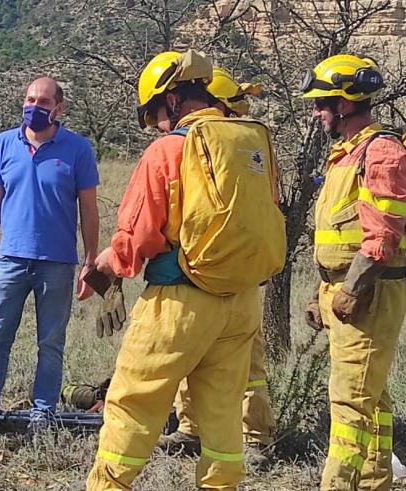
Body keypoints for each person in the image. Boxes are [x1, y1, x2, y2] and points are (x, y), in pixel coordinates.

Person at [85, 49, 285, 490]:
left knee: (131, 404)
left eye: (156, 112)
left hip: (181, 302)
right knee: (222, 416)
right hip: (241, 302)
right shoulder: (250, 140)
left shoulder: (169, 149)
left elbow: (137, 235)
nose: (156, 124)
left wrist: (108, 264)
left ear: (173, 99)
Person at [0, 76, 100, 441]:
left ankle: (42, 413)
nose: (35, 106)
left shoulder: (78, 149)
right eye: (30, 98)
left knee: (50, 343)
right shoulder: (5, 143)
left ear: (59, 109)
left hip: (57, 263)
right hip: (10, 260)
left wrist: (90, 261)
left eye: (44, 101)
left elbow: (89, 209)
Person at [300, 54, 406, 490]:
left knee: (349, 402)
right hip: (345, 291)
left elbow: (381, 238)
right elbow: (338, 237)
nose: (317, 113)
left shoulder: (382, 152)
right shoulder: (344, 156)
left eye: (322, 104)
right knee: (373, 397)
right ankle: (373, 481)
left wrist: (349, 290)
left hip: (368, 294)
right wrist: (321, 292)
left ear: (346, 104)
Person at [157, 66, 275, 471]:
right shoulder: (223, 148)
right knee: (195, 354)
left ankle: (254, 435)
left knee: (247, 362)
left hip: (231, 273)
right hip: (208, 270)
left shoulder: (235, 150)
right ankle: (191, 428)